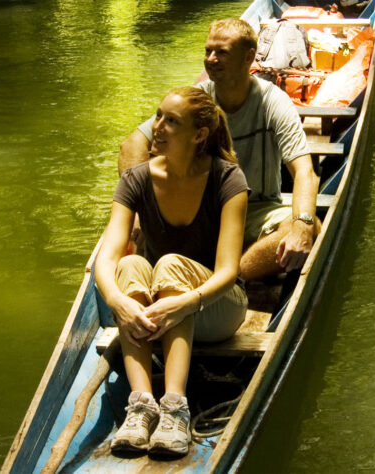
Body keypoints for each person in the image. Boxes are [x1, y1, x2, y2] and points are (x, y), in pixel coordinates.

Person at [95, 87, 249, 458]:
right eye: (158, 116)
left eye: (171, 121)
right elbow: (107, 256)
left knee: (168, 264)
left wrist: (183, 303)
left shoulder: (228, 179)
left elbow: (228, 271)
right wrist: (118, 301)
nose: (157, 127)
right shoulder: (136, 178)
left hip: (217, 308)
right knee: (131, 264)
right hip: (161, 314)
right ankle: (142, 404)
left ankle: (175, 405)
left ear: (198, 135)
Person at [120, 18, 321, 282]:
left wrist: (302, 224)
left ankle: (231, 278)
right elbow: (132, 144)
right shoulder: (197, 102)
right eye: (207, 51)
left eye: (222, 52)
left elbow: (304, 170)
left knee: (311, 227)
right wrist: (138, 210)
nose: (211, 59)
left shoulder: (272, 101)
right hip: (201, 209)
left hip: (256, 209)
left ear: (249, 56)